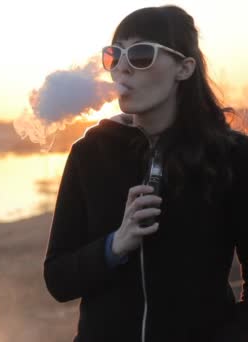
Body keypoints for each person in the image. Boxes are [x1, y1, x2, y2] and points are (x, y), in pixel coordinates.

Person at [42, 5, 248, 342]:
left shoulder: (233, 156)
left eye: (140, 54)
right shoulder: (90, 153)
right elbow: (58, 280)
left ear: (184, 68)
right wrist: (115, 245)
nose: (122, 66)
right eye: (114, 55)